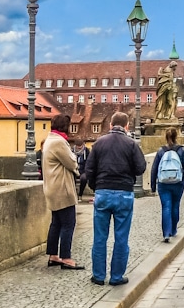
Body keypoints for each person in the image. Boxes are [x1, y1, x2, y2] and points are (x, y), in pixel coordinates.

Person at [85, 111, 146, 286]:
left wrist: (96, 187)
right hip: (124, 194)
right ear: (127, 126)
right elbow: (140, 167)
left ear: (110, 125)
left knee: (99, 237)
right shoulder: (131, 144)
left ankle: (98, 276)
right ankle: (116, 276)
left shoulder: (98, 143)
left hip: (103, 192)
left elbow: (89, 170)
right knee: (121, 238)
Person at [42, 114, 84, 269]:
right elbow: (72, 162)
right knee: (68, 223)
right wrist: (75, 161)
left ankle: (53, 256)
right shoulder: (59, 142)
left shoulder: (49, 140)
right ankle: (66, 258)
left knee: (57, 223)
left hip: (52, 187)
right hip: (62, 188)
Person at [150, 127, 184, 243]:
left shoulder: (161, 151)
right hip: (178, 182)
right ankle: (173, 229)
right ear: (176, 136)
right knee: (175, 205)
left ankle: (166, 233)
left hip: (163, 183)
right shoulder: (181, 150)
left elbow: (154, 169)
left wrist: (153, 186)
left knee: (166, 206)